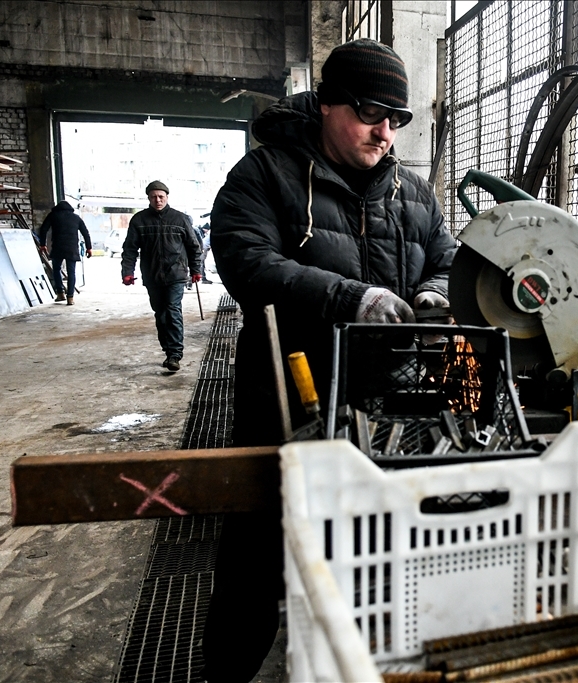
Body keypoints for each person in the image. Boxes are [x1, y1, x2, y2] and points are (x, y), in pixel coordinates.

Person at [204, 38, 456, 681]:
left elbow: (450, 259)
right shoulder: (264, 175)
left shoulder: (413, 192)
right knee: (259, 550)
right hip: (287, 395)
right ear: (326, 104)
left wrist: (434, 292)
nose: (385, 132)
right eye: (371, 113)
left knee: (379, 548)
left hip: (389, 403)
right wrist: (350, 297)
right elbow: (246, 261)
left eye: (396, 119)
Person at [121, 181, 203, 373]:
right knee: (160, 313)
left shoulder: (180, 219)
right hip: (152, 275)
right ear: (148, 198)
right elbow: (130, 248)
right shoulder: (139, 220)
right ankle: (168, 350)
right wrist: (127, 272)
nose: (157, 200)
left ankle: (175, 354)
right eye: (153, 197)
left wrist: (196, 269)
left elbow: (194, 247)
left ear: (167, 197)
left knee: (172, 310)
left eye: (161, 196)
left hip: (176, 273)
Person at [37, 200, 92, 305]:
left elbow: (43, 229)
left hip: (58, 246)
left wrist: (42, 245)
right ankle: (70, 297)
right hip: (72, 248)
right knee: (71, 272)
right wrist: (88, 248)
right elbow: (85, 232)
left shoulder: (53, 215)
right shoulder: (76, 218)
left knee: (56, 270)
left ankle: (60, 293)